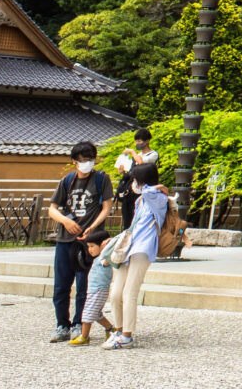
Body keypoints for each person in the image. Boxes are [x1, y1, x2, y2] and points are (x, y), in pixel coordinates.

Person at [47, 140, 112, 343]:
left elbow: (107, 207)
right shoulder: (67, 181)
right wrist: (65, 221)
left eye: (91, 159)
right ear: (74, 161)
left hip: (89, 242)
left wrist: (94, 226)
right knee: (61, 286)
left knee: (84, 286)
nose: (87, 163)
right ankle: (61, 325)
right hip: (66, 239)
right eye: (83, 160)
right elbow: (52, 208)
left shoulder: (101, 179)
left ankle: (78, 323)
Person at [104, 161, 166, 349]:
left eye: (136, 180)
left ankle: (127, 336)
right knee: (115, 294)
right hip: (129, 247)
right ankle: (118, 329)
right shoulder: (141, 201)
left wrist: (155, 186)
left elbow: (148, 192)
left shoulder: (159, 198)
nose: (134, 184)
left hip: (143, 249)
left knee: (129, 292)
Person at [69, 230, 120, 346]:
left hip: (99, 290)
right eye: (88, 247)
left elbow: (110, 253)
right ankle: (110, 329)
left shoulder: (105, 258)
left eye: (92, 246)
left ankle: (84, 336)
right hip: (93, 290)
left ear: (102, 245)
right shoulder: (97, 258)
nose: (90, 249)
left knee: (87, 313)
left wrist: (108, 244)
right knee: (96, 313)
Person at [113, 128, 156, 231]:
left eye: (140, 141)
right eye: (136, 141)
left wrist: (132, 151)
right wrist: (123, 172)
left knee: (138, 217)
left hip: (142, 191)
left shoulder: (153, 154)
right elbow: (131, 173)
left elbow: (141, 163)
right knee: (127, 218)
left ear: (147, 141)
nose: (137, 143)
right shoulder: (137, 155)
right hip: (130, 190)